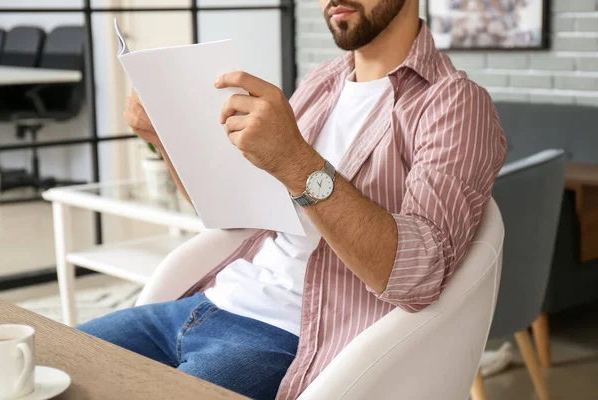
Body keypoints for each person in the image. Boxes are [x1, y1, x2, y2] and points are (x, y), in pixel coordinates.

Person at [78, 0, 507, 399]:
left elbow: (420, 277)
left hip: (283, 337)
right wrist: (164, 137)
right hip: (202, 303)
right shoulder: (322, 81)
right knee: (41, 364)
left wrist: (293, 158)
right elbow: (237, 213)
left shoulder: (453, 103)